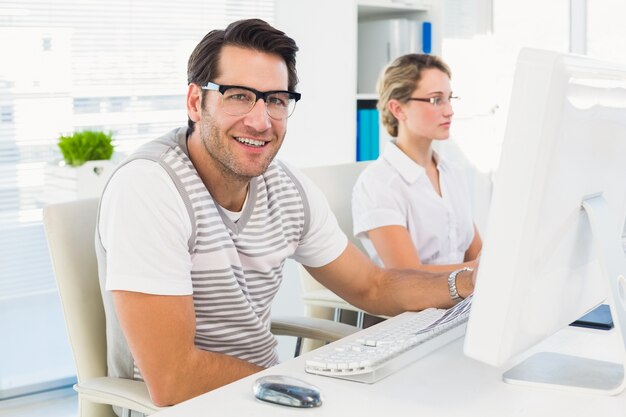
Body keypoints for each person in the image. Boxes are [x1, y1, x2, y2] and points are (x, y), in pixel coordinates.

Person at [95, 20, 477, 407]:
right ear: (196, 102)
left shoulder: (284, 185)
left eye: (276, 99)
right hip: (190, 406)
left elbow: (371, 286)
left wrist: (467, 282)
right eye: (239, 96)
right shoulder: (149, 187)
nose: (261, 121)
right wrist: (311, 386)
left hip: (270, 395)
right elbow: (174, 379)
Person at [352, 54, 482, 273]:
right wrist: (480, 273)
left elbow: (477, 255)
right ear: (398, 109)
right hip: (418, 307)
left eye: (450, 98)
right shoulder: (378, 184)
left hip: (466, 301)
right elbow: (410, 278)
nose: (449, 110)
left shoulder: (453, 174)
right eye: (436, 100)